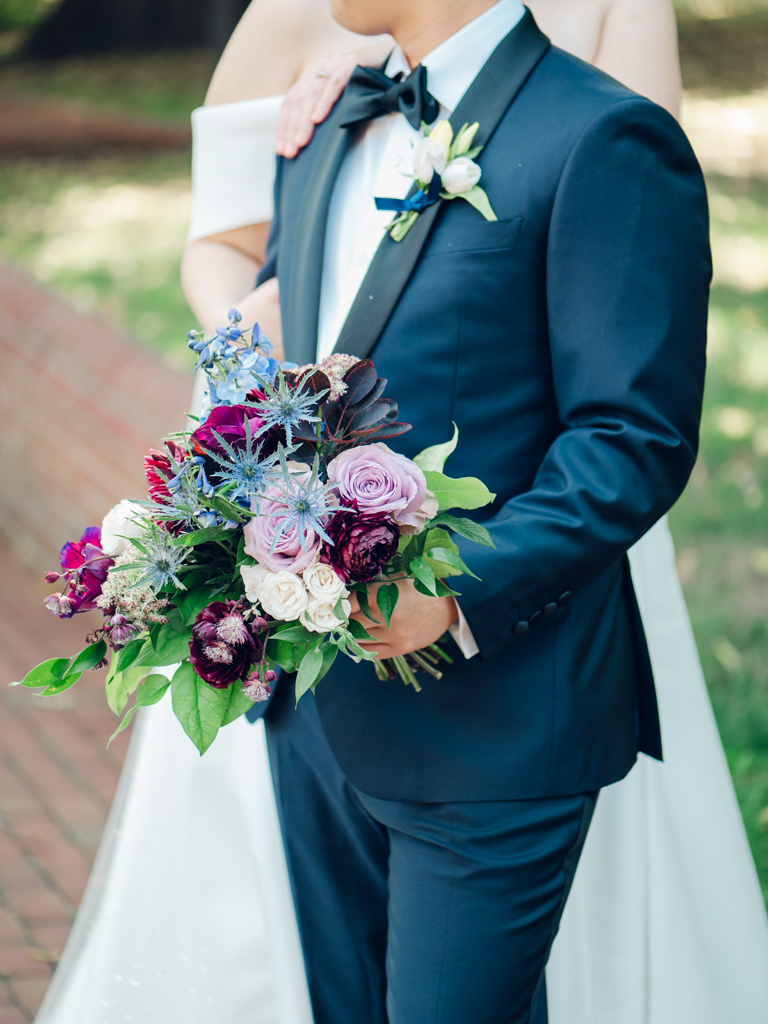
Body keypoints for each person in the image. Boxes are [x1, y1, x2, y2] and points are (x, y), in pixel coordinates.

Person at [33, 3, 768, 1024]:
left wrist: (449, 595)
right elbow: (292, 373)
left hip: (494, 720)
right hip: (316, 708)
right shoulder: (325, 127)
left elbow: (630, 440)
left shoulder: (605, 136)